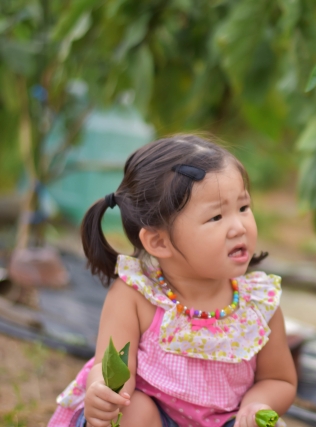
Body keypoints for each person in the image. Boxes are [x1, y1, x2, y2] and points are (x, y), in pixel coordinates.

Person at [50, 135, 297, 427]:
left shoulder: (258, 305)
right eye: (216, 216)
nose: (239, 227)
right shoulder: (136, 296)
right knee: (132, 410)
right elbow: (114, 369)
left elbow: (278, 379)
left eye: (243, 208)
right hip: (154, 419)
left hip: (225, 422)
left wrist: (257, 405)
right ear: (159, 242)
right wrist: (103, 395)